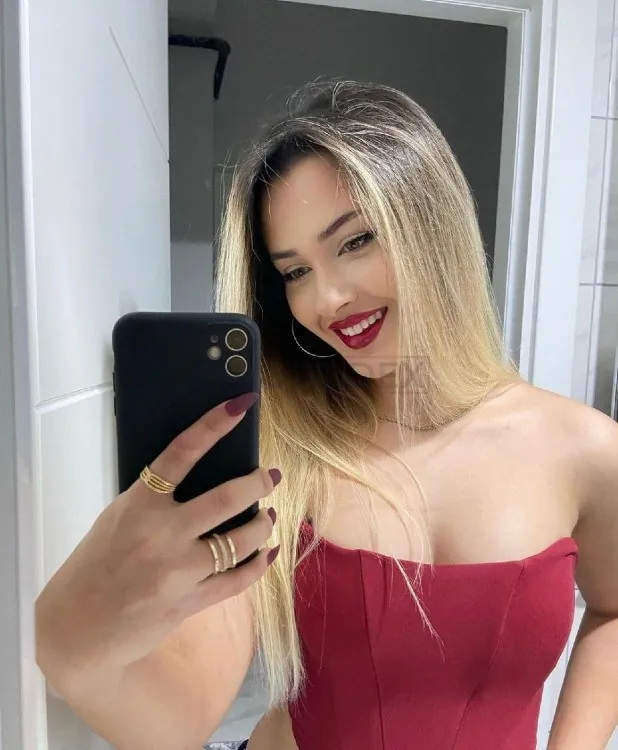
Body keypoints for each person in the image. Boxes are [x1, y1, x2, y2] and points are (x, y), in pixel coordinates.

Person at [35, 80, 618, 750]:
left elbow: (613, 607)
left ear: (433, 225)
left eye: (355, 241)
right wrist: (71, 645)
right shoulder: (277, 456)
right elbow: (183, 714)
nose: (326, 299)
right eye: (294, 272)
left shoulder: (585, 450)